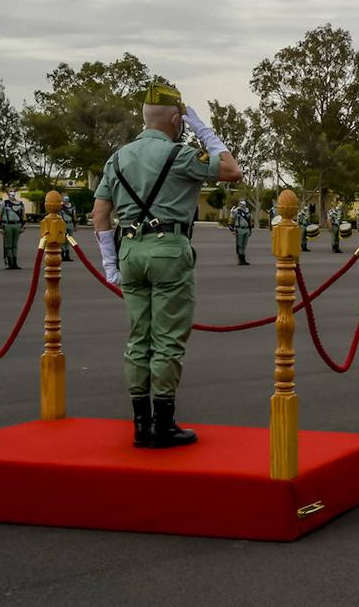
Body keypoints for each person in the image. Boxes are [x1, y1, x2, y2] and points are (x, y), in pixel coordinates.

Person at [92, 82, 242, 449]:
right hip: (168, 250)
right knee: (167, 341)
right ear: (177, 119)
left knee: (138, 338)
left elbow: (99, 214)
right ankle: (163, 423)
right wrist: (205, 130)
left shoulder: (117, 158)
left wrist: (110, 263)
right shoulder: (179, 154)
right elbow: (231, 170)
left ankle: (140, 424)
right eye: (183, 122)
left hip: (129, 252)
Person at [0, 190, 26, 270]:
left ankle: (15, 262)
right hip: (7, 225)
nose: (12, 193)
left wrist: (23, 226)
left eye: (13, 191)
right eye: (10, 192)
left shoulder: (20, 203)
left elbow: (24, 216)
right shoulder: (4, 203)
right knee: (8, 245)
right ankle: (10, 263)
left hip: (17, 225)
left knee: (15, 245)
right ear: (8, 194)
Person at [230, 199, 254, 265]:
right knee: (239, 245)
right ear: (239, 204)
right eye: (241, 203)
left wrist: (250, 230)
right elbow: (231, 221)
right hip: (239, 229)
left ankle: (244, 260)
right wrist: (233, 230)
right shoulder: (236, 211)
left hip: (246, 229)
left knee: (244, 245)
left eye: (244, 204)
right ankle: (240, 260)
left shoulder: (247, 211)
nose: (242, 205)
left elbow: (250, 221)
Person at [59, 194, 76, 262]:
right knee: (63, 240)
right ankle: (62, 254)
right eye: (64, 200)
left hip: (70, 223)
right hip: (63, 224)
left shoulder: (72, 206)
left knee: (69, 240)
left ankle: (67, 255)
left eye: (66, 200)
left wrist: (75, 225)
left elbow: (74, 216)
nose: (66, 201)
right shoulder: (61, 207)